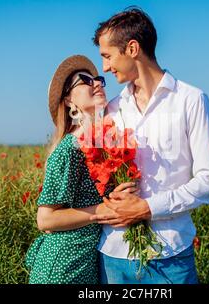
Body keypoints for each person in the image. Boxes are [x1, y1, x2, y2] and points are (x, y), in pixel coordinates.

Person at [90, 7, 209, 284]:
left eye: (107, 56)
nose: (104, 67)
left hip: (170, 255)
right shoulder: (111, 110)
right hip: (114, 254)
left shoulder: (191, 100)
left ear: (132, 48)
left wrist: (148, 208)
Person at [24, 55, 138, 284]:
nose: (96, 83)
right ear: (68, 100)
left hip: (85, 263)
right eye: (85, 80)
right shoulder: (70, 148)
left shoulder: (100, 143)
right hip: (62, 266)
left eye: (98, 79)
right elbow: (45, 220)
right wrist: (102, 210)